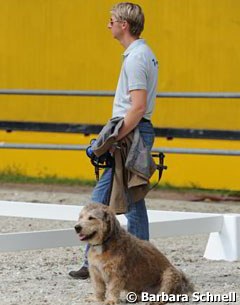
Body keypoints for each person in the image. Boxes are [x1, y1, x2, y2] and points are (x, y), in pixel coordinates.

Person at [69, 2, 158, 279]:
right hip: (131, 133)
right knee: (128, 200)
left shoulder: (136, 58)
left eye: (111, 20)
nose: (108, 25)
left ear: (124, 25)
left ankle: (101, 262)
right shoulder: (140, 54)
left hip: (129, 135)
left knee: (107, 201)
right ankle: (103, 261)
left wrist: (113, 139)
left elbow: (138, 106)